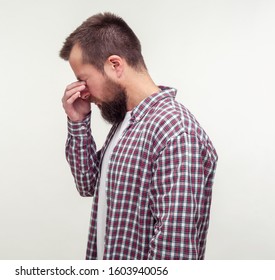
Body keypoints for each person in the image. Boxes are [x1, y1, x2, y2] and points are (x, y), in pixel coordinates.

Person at [59, 12, 218, 260]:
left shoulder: (174, 131)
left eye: (84, 79)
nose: (84, 92)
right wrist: (78, 123)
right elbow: (88, 184)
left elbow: (173, 253)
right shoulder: (127, 121)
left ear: (115, 65)